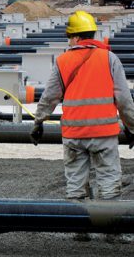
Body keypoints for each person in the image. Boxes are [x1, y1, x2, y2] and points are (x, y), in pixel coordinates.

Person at [31, 11, 134, 213]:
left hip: (74, 135)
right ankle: (110, 230)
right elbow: (124, 99)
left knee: (76, 183)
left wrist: (38, 122)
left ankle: (80, 230)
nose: (69, 42)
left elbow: (49, 97)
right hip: (104, 135)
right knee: (109, 181)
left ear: (76, 37)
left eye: (69, 37)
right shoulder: (110, 59)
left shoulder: (62, 61)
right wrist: (132, 126)